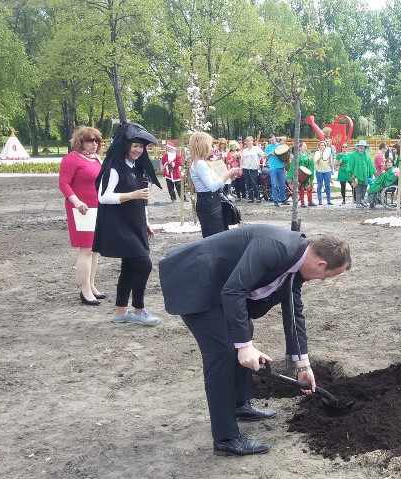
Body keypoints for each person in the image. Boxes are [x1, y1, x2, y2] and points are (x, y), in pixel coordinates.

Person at [158, 225, 351, 456]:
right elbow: (234, 291)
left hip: (217, 286)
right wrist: (244, 346)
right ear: (321, 265)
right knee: (221, 352)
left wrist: (303, 365)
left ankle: (240, 404)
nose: (322, 280)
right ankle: (226, 439)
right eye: (327, 276)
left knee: (243, 329)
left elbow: (294, 312)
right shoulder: (276, 247)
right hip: (194, 280)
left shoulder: (295, 264)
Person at [93, 122, 162, 326]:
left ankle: (121, 311)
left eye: (141, 146)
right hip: (120, 226)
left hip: (135, 224)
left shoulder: (136, 168)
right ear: (125, 145)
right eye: (135, 145)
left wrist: (147, 222)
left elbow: (142, 200)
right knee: (144, 264)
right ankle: (139, 309)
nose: (138, 150)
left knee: (129, 268)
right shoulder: (114, 168)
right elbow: (103, 197)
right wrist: (132, 195)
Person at [59, 125, 105, 305]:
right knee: (85, 249)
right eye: (89, 141)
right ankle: (85, 289)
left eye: (96, 141)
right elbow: (64, 184)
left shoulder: (97, 160)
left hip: (97, 208)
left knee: (95, 250)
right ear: (80, 142)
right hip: (81, 209)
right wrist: (77, 202)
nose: (94, 144)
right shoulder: (71, 159)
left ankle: (91, 285)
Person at [190, 131, 242, 238]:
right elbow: (212, 186)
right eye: (209, 144)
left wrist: (229, 177)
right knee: (216, 236)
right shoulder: (200, 164)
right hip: (209, 202)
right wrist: (229, 173)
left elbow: (216, 182)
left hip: (211, 200)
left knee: (219, 234)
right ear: (203, 145)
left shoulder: (201, 162)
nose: (212, 147)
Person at [346, 140, 376, 207]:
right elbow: (350, 165)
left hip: (365, 175)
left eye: (363, 146)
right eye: (360, 146)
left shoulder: (367, 155)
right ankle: (358, 202)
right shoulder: (353, 155)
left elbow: (370, 165)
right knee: (358, 189)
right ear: (358, 147)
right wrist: (352, 174)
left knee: (364, 189)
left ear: (365, 147)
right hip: (356, 176)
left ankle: (362, 201)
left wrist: (372, 174)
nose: (361, 147)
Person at [265, 135, 289, 206]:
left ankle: (283, 199)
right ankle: (275, 200)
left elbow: (285, 138)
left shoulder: (279, 145)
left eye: (273, 140)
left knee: (282, 184)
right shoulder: (268, 147)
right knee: (274, 185)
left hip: (281, 167)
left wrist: (277, 138)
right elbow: (264, 156)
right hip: (272, 168)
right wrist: (270, 154)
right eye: (270, 141)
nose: (272, 141)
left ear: (275, 139)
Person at [240, 136, 264, 203]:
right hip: (246, 168)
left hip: (254, 168)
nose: (247, 142)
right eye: (246, 141)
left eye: (249, 140)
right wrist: (240, 168)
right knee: (248, 183)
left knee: (254, 183)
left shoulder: (256, 149)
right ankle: (251, 198)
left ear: (252, 141)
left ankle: (257, 196)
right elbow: (242, 160)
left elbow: (263, 155)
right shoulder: (244, 150)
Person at [313, 140, 333, 205]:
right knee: (319, 185)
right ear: (318, 146)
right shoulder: (317, 153)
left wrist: (330, 158)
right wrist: (321, 157)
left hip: (327, 171)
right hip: (319, 171)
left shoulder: (328, 153)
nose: (322, 146)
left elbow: (330, 163)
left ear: (325, 146)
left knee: (327, 186)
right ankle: (320, 200)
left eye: (323, 145)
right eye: (320, 145)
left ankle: (328, 200)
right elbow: (316, 162)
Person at [297, 142, 315, 207]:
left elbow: (311, 165)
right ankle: (302, 202)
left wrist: (310, 160)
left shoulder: (307, 155)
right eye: (304, 147)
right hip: (301, 175)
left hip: (308, 174)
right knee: (301, 188)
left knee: (310, 187)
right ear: (300, 147)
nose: (305, 148)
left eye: (306, 147)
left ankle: (310, 201)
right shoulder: (297, 156)